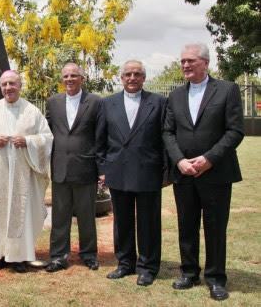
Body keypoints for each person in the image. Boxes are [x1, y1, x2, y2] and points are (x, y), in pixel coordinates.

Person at [163, 43, 244, 301]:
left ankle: (216, 278)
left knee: (215, 226)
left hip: (216, 172)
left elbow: (235, 131)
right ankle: (188, 272)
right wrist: (179, 161)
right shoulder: (175, 96)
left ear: (205, 63)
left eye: (191, 60)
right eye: (183, 61)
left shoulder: (227, 90)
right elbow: (167, 132)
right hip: (184, 173)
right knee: (186, 224)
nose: (185, 65)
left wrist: (209, 159)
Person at [96, 60, 166, 286]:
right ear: (121, 78)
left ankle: (147, 267)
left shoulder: (158, 102)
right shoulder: (107, 104)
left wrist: (165, 171)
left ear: (143, 78)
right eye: (128, 74)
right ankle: (125, 263)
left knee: (149, 221)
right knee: (122, 221)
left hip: (148, 171)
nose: (132, 78)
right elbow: (100, 140)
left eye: (137, 74)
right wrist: (103, 169)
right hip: (118, 170)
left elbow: (165, 139)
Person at [0, 70, 52, 273]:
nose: (8, 88)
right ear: (1, 87)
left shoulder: (32, 111)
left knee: (21, 212)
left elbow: (47, 138)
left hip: (23, 174)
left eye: (12, 84)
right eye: (4, 84)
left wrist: (27, 141)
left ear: (20, 85)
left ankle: (19, 256)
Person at [45, 62, 102, 273]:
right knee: (60, 216)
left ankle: (89, 254)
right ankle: (59, 256)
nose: (69, 80)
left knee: (86, 215)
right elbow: (48, 132)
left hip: (85, 167)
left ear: (82, 79)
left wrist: (100, 166)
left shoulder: (95, 102)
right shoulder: (53, 102)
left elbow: (100, 135)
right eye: (66, 76)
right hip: (60, 167)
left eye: (74, 76)